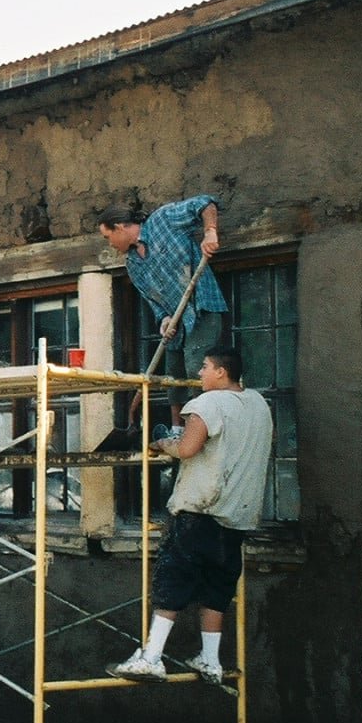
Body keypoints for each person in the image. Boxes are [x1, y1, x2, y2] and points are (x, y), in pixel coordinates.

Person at [105, 347, 272, 684]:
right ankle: (210, 661)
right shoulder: (258, 404)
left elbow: (186, 448)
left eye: (205, 367)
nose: (199, 373)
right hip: (237, 516)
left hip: (199, 511)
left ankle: (151, 657)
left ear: (221, 372)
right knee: (217, 588)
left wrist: (160, 444)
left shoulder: (208, 404)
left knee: (172, 581)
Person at [97, 196, 229, 429]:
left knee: (197, 369)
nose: (110, 244)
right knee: (173, 379)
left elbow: (205, 203)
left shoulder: (163, 220)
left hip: (201, 309)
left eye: (108, 237)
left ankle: (203, 429)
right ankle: (177, 431)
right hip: (177, 323)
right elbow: (153, 302)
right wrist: (164, 319)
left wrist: (210, 233)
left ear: (119, 227)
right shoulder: (133, 265)